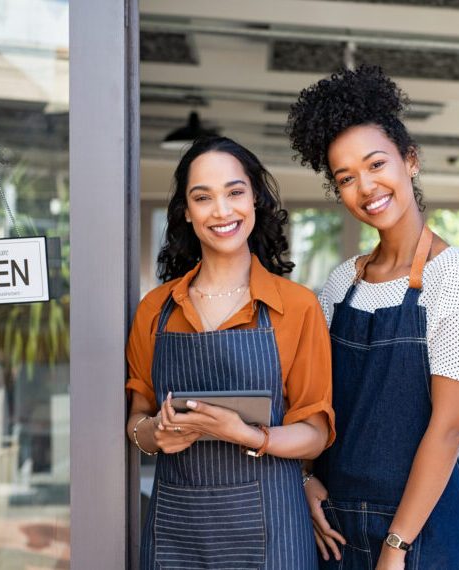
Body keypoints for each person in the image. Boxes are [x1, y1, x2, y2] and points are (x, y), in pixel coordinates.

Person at [287, 66, 459, 570]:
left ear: (410, 160)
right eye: (345, 177)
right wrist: (306, 478)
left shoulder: (456, 279)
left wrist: (395, 546)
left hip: (416, 531)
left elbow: (450, 427)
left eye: (376, 163)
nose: (365, 186)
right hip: (332, 525)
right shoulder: (340, 283)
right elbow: (315, 402)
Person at [125, 136, 336, 570]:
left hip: (273, 531)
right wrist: (154, 435)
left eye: (235, 192)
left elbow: (315, 430)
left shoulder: (296, 307)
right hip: (176, 532)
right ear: (187, 211)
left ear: (255, 198)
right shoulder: (155, 309)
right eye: (203, 197)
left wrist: (248, 435)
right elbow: (137, 417)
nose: (222, 211)